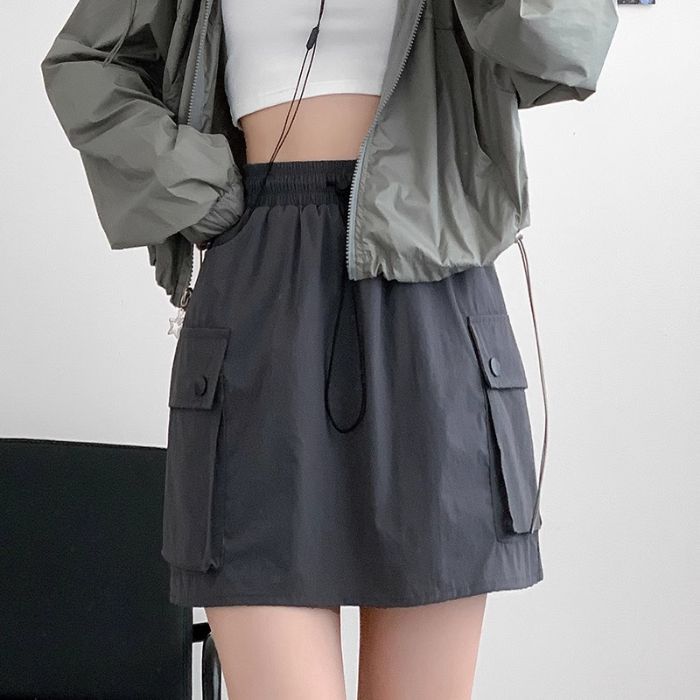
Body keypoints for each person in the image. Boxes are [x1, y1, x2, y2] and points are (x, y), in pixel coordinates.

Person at [40, 0, 618, 697]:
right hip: (258, 291)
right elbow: (86, 62)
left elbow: (564, 48)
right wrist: (192, 185)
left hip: (429, 296)